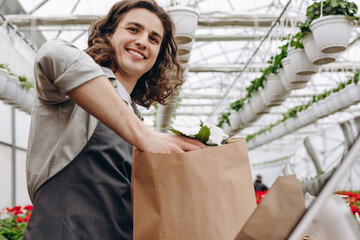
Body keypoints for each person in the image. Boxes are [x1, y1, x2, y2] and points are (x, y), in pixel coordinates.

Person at [23, 0, 205, 239]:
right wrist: (143, 136)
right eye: (133, 29)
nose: (142, 41)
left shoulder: (134, 117)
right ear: (109, 34)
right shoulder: (71, 95)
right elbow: (52, 53)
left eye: (153, 39)